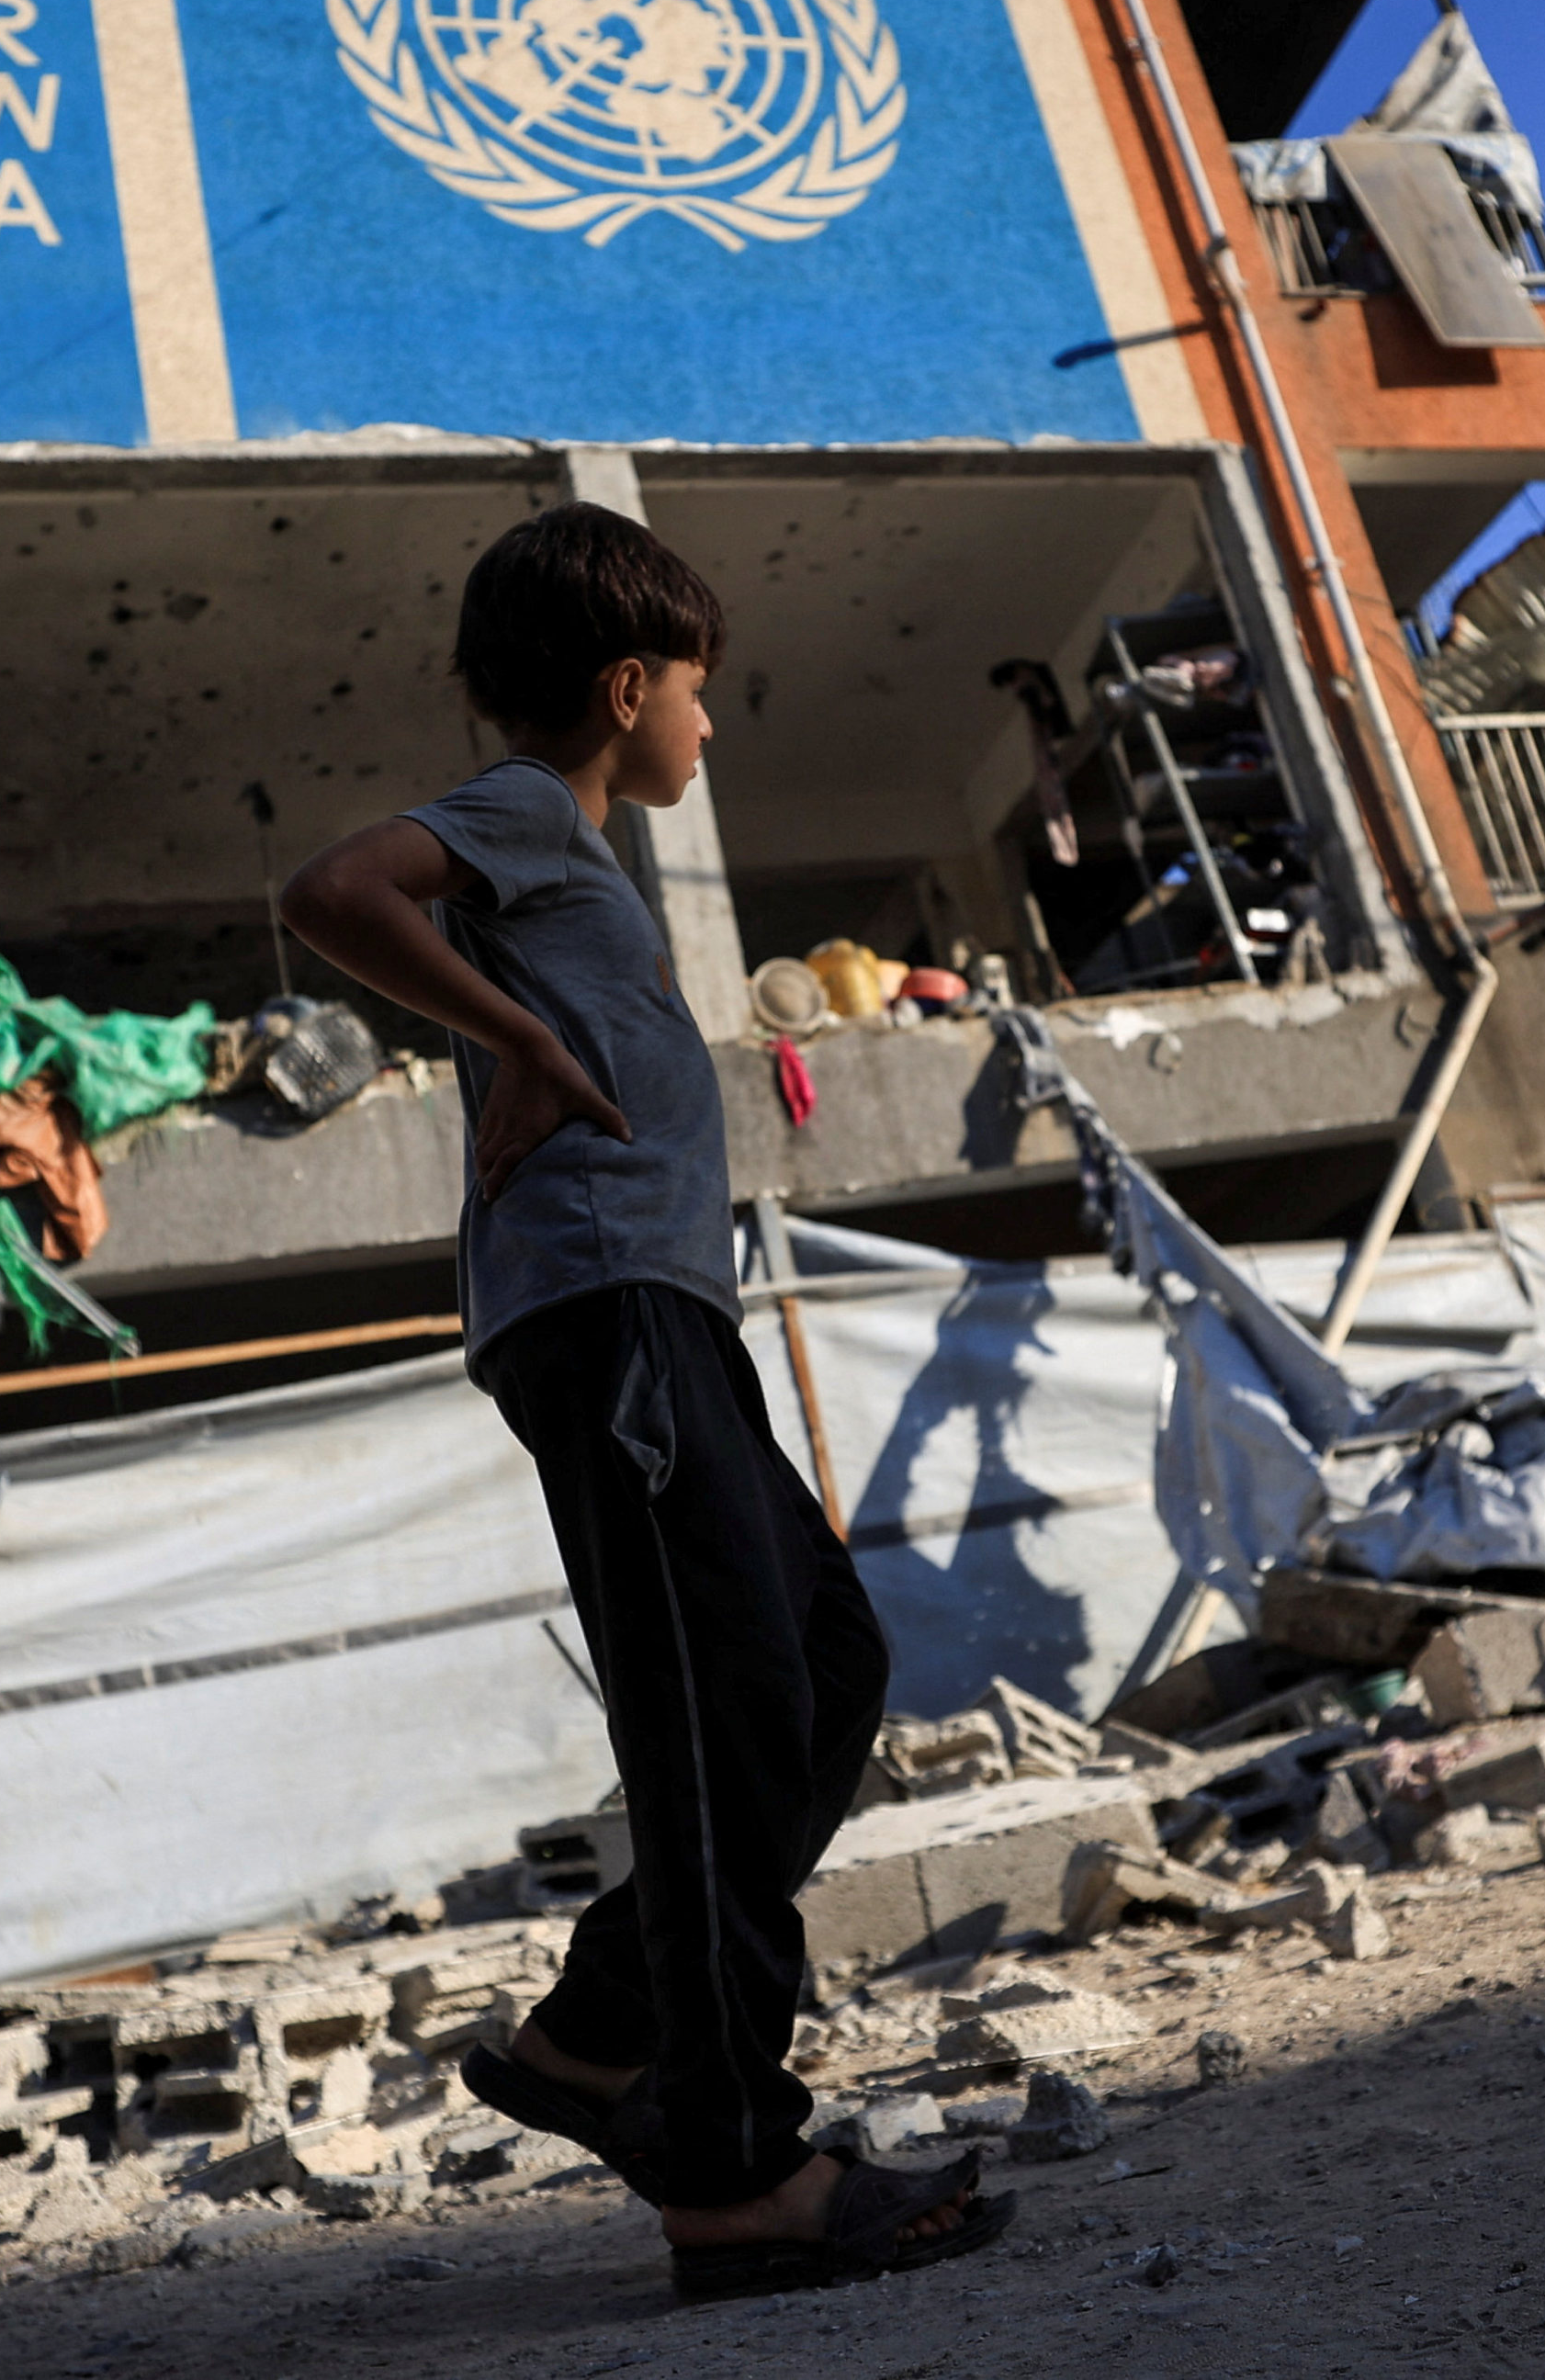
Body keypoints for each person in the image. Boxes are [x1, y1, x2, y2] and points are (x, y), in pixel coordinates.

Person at [276, 503, 1005, 2302]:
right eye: (698, 692)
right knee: (719, 1708)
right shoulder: (527, 810)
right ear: (626, 685)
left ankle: (603, 2031)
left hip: (661, 1315)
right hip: (604, 1319)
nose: (708, 725)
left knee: (818, 1673)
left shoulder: (577, 851)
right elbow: (331, 892)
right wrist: (522, 1043)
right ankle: (727, 2163)